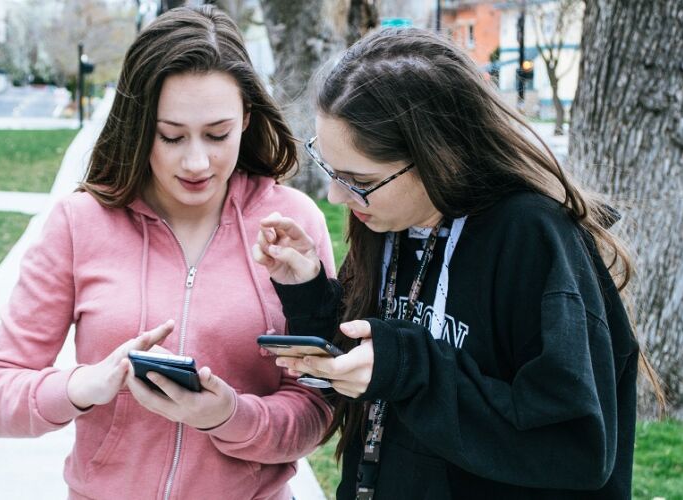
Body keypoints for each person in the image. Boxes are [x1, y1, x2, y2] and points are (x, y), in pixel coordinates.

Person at [253, 27, 661, 499]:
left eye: (357, 179)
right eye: (328, 167)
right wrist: (309, 291)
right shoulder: (388, 219)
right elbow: (371, 372)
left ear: (437, 157)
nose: (336, 196)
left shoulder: (532, 237)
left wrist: (410, 368)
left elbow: (574, 445)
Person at [0, 6, 335, 500]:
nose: (197, 161)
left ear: (247, 118)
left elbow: (320, 405)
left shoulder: (293, 224)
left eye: (217, 133)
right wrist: (84, 386)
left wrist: (230, 416)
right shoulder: (79, 222)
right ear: (140, 125)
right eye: (171, 136)